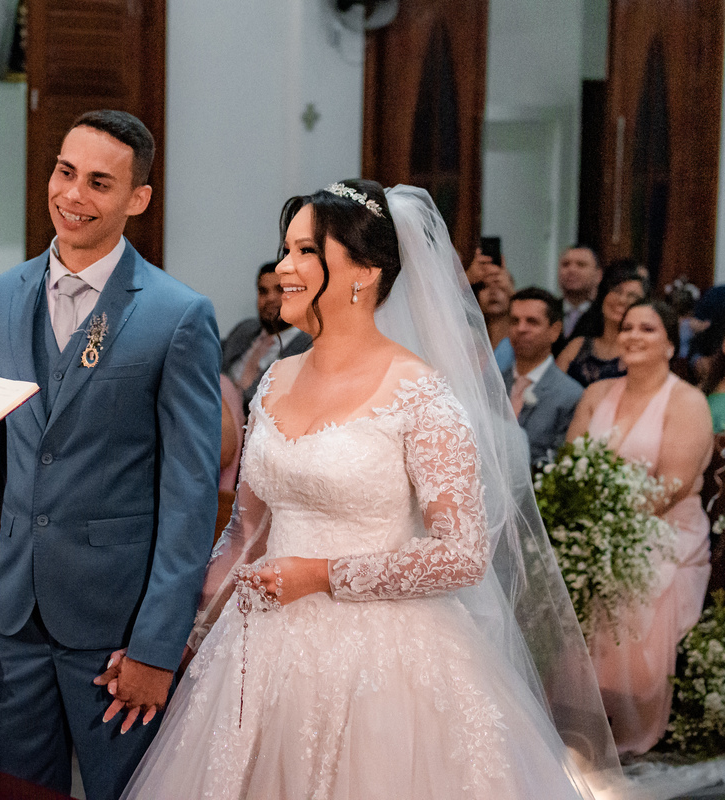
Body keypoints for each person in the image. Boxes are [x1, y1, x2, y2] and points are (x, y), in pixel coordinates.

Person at [122, 181, 618, 799]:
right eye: (285, 250)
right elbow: (245, 532)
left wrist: (323, 574)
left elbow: (462, 554)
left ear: (362, 272)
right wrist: (177, 641)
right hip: (259, 653)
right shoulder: (275, 378)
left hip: (387, 668)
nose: (283, 268)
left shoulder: (422, 394)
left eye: (305, 251)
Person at [0, 110, 221, 800]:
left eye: (99, 182)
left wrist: (159, 646)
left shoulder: (175, 314)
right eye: (65, 172)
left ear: (137, 199)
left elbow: (190, 495)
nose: (72, 195)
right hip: (15, 614)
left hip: (116, 630)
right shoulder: (4, 297)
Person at [567, 299, 714, 755]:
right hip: (598, 527)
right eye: (627, 327)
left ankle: (625, 716)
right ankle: (574, 714)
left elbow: (673, 484)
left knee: (633, 586)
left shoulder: (687, 401)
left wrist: (610, 534)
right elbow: (571, 467)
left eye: (647, 329)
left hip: (667, 530)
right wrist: (586, 527)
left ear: (670, 344)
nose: (632, 336)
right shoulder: (596, 394)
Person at [502, 287, 584, 465]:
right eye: (515, 321)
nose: (521, 328)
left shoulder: (571, 395)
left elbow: (560, 462)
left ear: (554, 331)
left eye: (532, 322)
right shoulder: (492, 383)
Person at [221, 262, 313, 407]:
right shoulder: (245, 329)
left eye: (280, 290)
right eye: (263, 291)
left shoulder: (309, 348)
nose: (270, 298)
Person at [556, 264, 649, 387]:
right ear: (603, 295)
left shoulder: (643, 351)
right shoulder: (577, 346)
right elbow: (552, 392)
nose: (622, 300)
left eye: (632, 296)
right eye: (616, 291)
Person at [557, 245, 603, 345]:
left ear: (598, 275)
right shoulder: (549, 310)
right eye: (565, 264)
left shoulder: (604, 315)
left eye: (581, 265)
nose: (571, 270)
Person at [475, 264, 515, 371]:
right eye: (485, 286)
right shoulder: (470, 343)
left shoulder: (520, 344)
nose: (493, 292)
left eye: (500, 286)